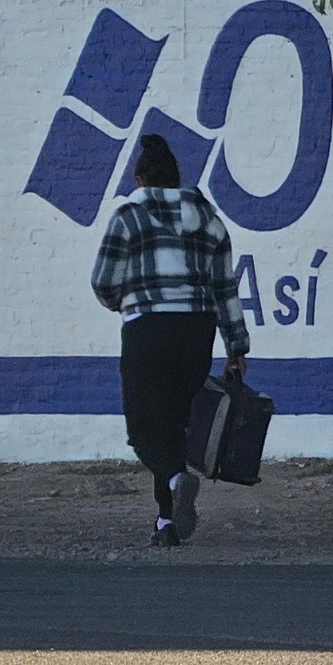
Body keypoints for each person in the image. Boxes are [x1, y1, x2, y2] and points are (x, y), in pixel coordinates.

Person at [90, 134, 250, 548]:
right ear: (177, 179)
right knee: (177, 425)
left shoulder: (128, 216)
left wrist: (123, 303)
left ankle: (179, 479)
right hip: (197, 332)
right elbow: (225, 289)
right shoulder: (209, 219)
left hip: (148, 331)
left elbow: (103, 281)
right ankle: (166, 523)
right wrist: (237, 346)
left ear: (141, 179)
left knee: (144, 428)